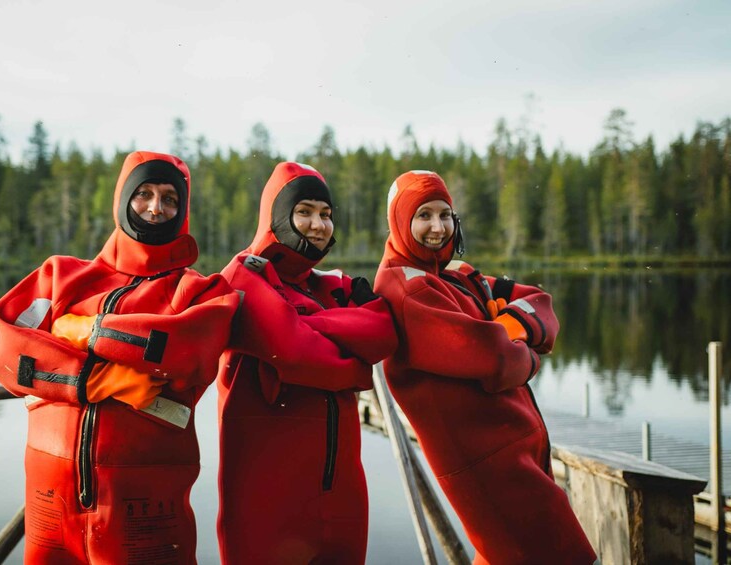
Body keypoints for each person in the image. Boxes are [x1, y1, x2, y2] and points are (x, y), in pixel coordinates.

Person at [0, 151, 239, 564]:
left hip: (146, 505)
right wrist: (93, 380)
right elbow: (7, 354)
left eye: (170, 199)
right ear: (122, 198)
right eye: (144, 193)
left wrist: (78, 328)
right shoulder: (59, 275)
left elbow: (188, 353)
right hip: (51, 497)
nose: (156, 208)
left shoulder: (200, 292)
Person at [373, 170, 596, 564]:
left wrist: (507, 326)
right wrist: (524, 352)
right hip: (483, 464)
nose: (438, 227)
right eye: (423, 215)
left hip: (514, 450)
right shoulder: (406, 289)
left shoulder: (458, 276)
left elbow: (539, 301)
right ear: (399, 221)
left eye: (445, 215)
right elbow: (494, 359)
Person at [215, 162, 397, 564]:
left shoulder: (334, 284)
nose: (318, 224)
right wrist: (356, 367)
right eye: (304, 212)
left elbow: (384, 332)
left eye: (326, 214)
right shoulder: (243, 277)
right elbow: (297, 355)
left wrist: (306, 319)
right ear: (277, 216)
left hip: (342, 495)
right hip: (269, 500)